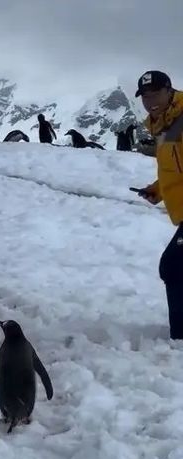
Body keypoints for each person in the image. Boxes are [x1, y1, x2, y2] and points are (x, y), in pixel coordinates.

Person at [134, 70, 183, 339]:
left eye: (155, 94)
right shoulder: (165, 124)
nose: (150, 101)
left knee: (173, 266)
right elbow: (174, 168)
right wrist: (158, 190)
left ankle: (180, 336)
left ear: (169, 91)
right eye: (145, 96)